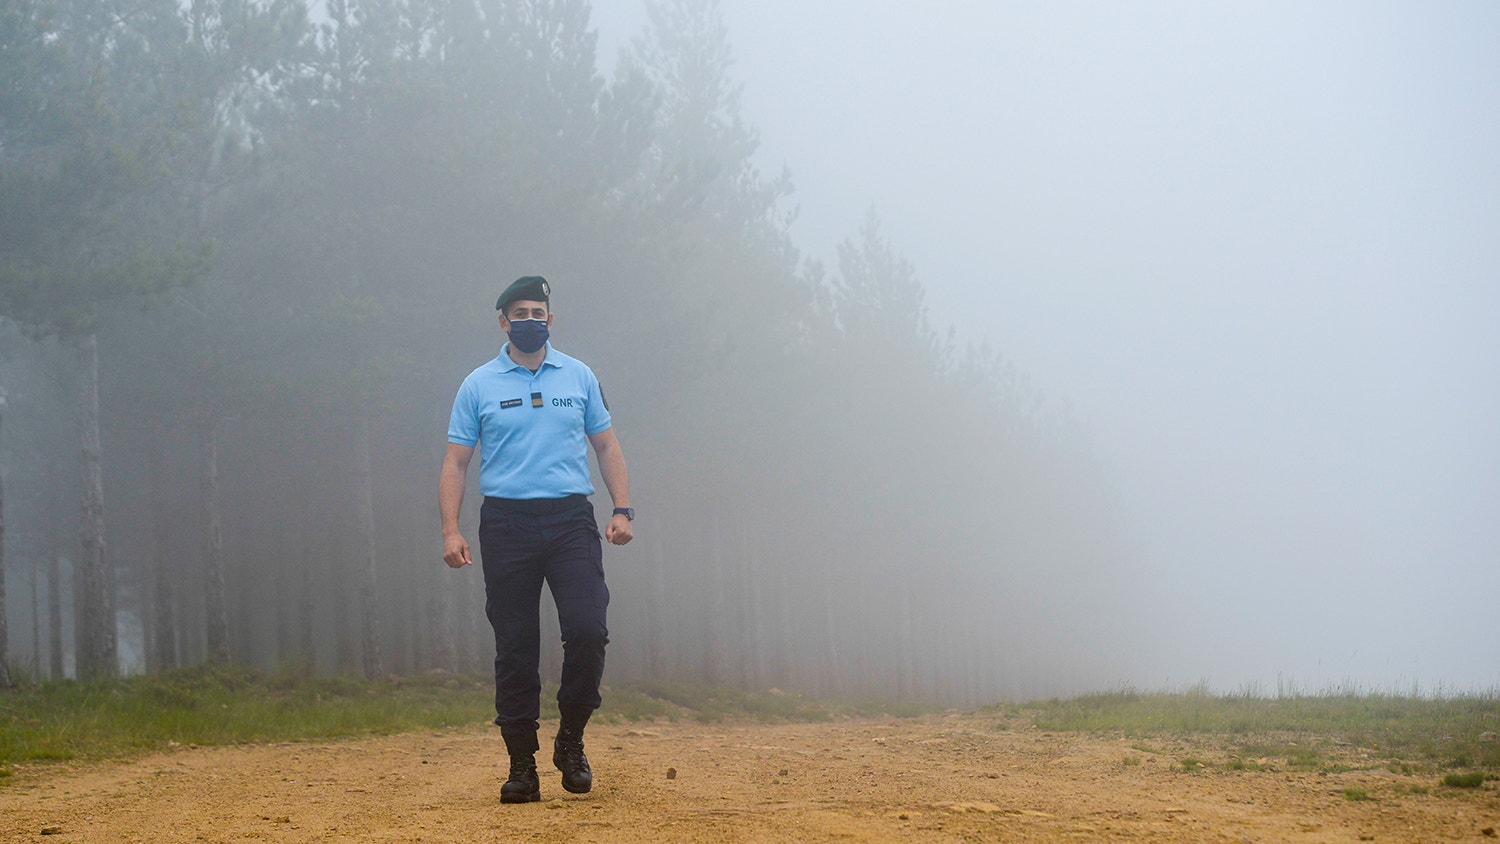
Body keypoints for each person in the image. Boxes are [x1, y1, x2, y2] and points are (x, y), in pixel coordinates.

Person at [440, 275, 634, 804]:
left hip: (571, 521)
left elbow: (607, 445)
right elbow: (456, 462)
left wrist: (621, 509)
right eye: (520, 313)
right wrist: (451, 529)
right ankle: (522, 765)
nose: (530, 320)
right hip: (507, 525)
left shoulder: (579, 375)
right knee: (516, 645)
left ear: (551, 319)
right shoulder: (478, 384)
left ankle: (571, 739)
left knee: (589, 629)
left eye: (538, 312)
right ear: (503, 322)